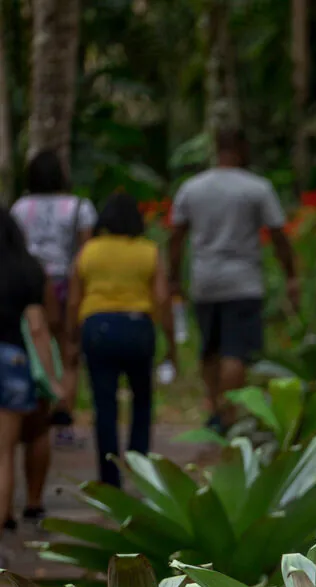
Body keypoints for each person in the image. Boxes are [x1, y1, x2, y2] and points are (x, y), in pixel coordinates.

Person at [169, 127, 299, 431]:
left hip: (205, 280)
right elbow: (279, 235)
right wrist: (291, 275)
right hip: (243, 281)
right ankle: (229, 414)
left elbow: (176, 236)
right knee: (235, 352)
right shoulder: (256, 188)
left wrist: (174, 277)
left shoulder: (192, 188)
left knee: (210, 348)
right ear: (241, 149)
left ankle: (214, 407)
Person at [9, 151, 97, 523]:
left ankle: (35, 393)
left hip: (24, 283)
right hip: (64, 281)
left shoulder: (20, 207)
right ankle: (61, 404)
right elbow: (86, 249)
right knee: (67, 347)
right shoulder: (79, 205)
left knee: (32, 340)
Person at [66, 193, 176, 489]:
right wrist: (171, 345)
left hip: (97, 327)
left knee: (105, 406)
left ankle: (110, 478)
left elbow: (75, 300)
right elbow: (163, 298)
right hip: (137, 328)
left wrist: (71, 341)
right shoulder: (148, 251)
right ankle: (140, 471)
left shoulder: (89, 252)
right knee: (142, 402)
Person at [0, 207, 62, 561]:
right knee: (3, 453)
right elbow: (39, 325)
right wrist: (53, 380)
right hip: (12, 360)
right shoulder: (28, 269)